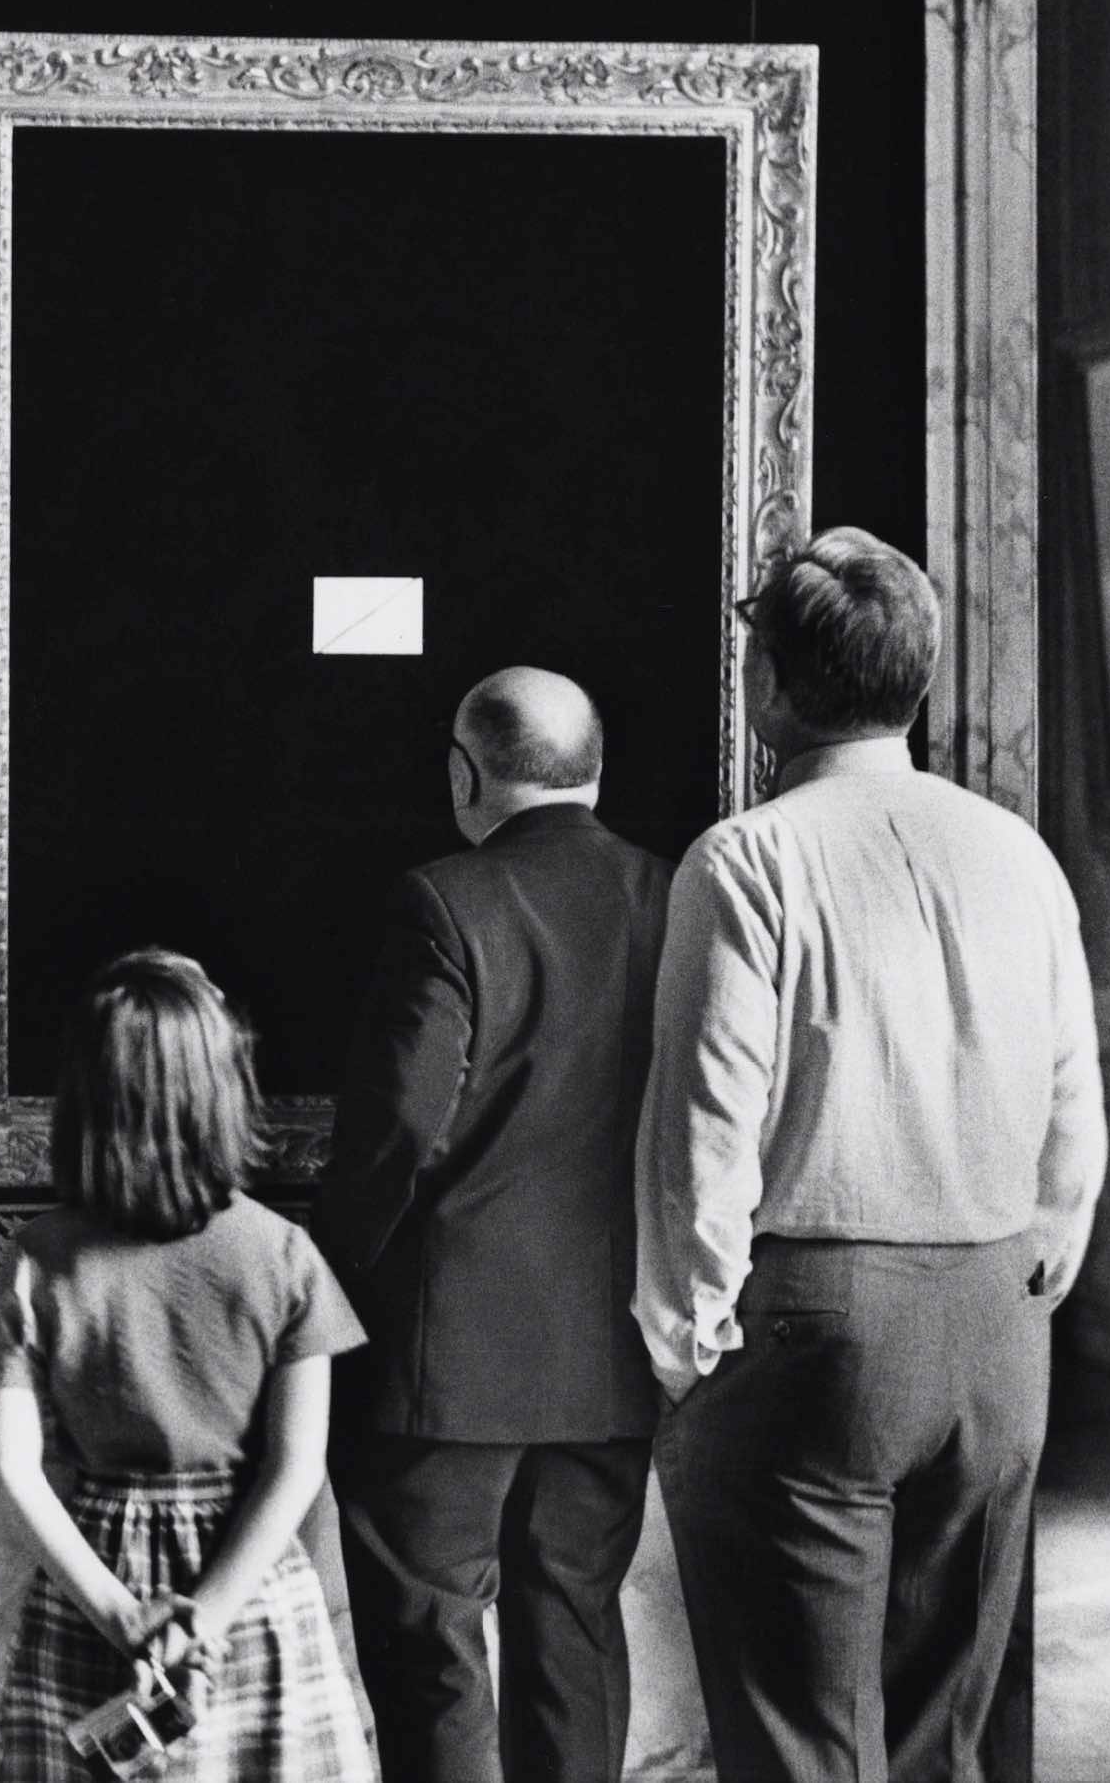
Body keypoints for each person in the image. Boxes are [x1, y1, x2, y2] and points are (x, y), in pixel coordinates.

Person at [632, 527, 1106, 1783]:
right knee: (943, 1737)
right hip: (1001, 1320)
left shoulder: (748, 858)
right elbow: (1074, 1098)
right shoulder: (1018, 851)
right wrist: (1039, 1262)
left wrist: (685, 1346)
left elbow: (706, 1129)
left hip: (815, 1329)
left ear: (772, 682)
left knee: (801, 1739)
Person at [313, 666, 671, 1783]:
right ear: (594, 767)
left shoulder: (444, 901)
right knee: (576, 1639)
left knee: (435, 1660)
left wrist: (326, 1277)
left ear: (464, 773)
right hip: (611, 1354)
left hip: (445, 1365)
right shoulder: (670, 892)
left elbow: (398, 1129)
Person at [0, 949, 377, 1782]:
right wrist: (204, 1623)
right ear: (221, 1087)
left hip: (95, 1592)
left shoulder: (39, 1258)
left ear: (86, 1100)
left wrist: (126, 1618)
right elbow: (296, 1469)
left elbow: (12, 1468)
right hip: (246, 1593)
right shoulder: (284, 1256)